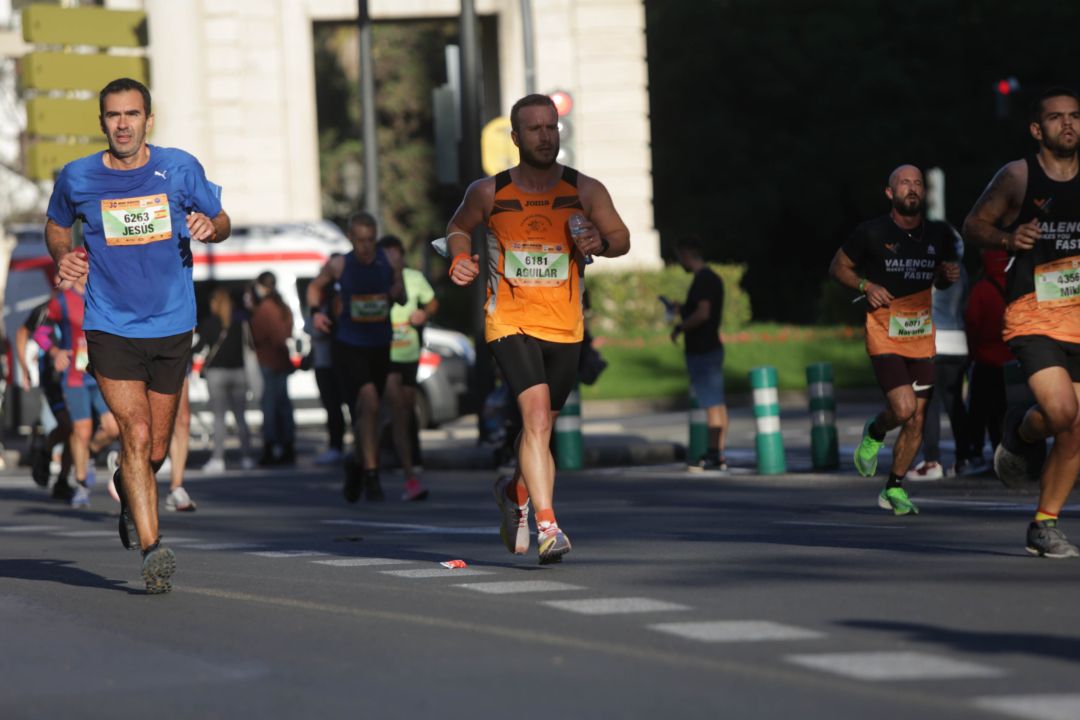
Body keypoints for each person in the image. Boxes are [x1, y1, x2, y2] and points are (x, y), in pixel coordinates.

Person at [47, 77, 230, 593]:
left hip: (172, 323)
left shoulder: (179, 167)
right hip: (110, 324)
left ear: (148, 119)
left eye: (131, 114)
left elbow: (221, 216)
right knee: (138, 434)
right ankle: (153, 551)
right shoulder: (78, 177)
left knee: (153, 455)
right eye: (112, 116)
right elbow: (58, 224)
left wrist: (211, 227)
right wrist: (65, 255)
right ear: (102, 122)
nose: (122, 124)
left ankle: (132, 491)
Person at [446, 93, 630, 563]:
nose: (546, 136)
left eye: (551, 128)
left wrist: (600, 242)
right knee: (536, 418)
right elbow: (457, 227)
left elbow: (621, 238)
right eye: (535, 129)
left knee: (542, 426)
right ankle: (548, 526)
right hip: (508, 319)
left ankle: (514, 493)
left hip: (564, 325)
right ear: (515, 137)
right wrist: (461, 257)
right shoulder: (489, 192)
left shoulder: (584, 189)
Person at [961, 86, 1080, 558]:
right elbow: (973, 226)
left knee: (1075, 429)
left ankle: (1044, 523)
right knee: (1063, 414)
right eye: (1056, 118)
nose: (1068, 124)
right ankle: (1024, 430)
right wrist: (1009, 238)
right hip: (1033, 312)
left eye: (1075, 116)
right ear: (1037, 129)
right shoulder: (1017, 176)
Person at [829, 164, 960, 515]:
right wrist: (865, 286)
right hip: (885, 332)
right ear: (890, 193)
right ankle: (875, 430)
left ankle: (894, 487)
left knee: (917, 417)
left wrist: (947, 276)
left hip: (920, 334)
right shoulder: (871, 233)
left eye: (917, 183)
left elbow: (942, 281)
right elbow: (838, 267)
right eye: (905, 183)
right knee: (902, 410)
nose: (912, 188)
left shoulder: (938, 235)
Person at [308, 212, 404, 503]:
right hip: (349, 345)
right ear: (350, 239)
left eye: (370, 240)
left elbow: (400, 294)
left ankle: (356, 461)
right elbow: (314, 288)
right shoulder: (340, 264)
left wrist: (394, 291)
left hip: (379, 343)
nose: (365, 247)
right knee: (370, 402)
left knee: (369, 413)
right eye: (360, 241)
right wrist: (316, 315)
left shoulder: (389, 261)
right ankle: (372, 476)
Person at [33, 278, 121, 507]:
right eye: (84, 267)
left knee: (112, 427)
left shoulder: (103, 294)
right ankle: (81, 485)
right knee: (81, 430)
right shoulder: (62, 299)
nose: (89, 272)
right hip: (74, 377)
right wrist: (54, 353)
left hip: (99, 374)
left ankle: (90, 453)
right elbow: (40, 333)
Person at [909, 233, 983, 478]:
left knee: (928, 403)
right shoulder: (961, 272)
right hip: (958, 341)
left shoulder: (930, 270)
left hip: (934, 341)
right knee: (955, 404)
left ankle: (932, 461)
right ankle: (965, 458)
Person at [378, 234, 437, 501]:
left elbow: (432, 300)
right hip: (384, 352)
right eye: (386, 256)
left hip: (409, 352)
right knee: (398, 407)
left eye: (396, 255)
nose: (392, 260)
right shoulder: (375, 279)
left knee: (405, 407)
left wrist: (423, 314)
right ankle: (409, 475)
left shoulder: (413, 277)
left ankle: (377, 458)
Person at [669, 234, 728, 472]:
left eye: (679, 257)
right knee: (717, 402)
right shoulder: (710, 278)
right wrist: (682, 309)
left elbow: (703, 313)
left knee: (711, 403)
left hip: (703, 348)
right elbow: (701, 309)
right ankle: (717, 451)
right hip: (711, 345)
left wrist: (680, 326)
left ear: (686, 254)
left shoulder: (703, 279)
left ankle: (714, 453)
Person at [16, 296, 73, 496]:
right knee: (68, 425)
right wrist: (24, 367)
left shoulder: (88, 301)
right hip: (53, 377)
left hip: (80, 375)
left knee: (79, 429)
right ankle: (47, 451)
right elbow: (23, 333)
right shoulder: (44, 309)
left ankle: (64, 479)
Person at [193, 287, 254, 472]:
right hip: (239, 372)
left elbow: (200, 347)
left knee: (219, 418)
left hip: (217, 374)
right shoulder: (240, 322)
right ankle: (247, 457)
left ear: (215, 303)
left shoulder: (210, 322)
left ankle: (218, 458)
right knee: (241, 417)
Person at [963, 249, 1012, 462]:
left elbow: (972, 323)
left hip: (985, 359)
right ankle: (1005, 449)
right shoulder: (1017, 284)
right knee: (1006, 409)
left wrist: (971, 354)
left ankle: (976, 450)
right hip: (1013, 359)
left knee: (980, 409)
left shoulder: (982, 288)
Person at [250, 271, 296, 466]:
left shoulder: (265, 308)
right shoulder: (282, 307)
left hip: (269, 361)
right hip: (281, 361)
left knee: (269, 406)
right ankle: (287, 445)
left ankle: (270, 446)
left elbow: (258, 335)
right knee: (283, 405)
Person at [308, 254, 349, 466]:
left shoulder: (339, 293)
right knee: (331, 406)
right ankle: (336, 445)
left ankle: (345, 446)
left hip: (339, 358)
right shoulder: (321, 297)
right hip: (323, 360)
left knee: (346, 404)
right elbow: (311, 327)